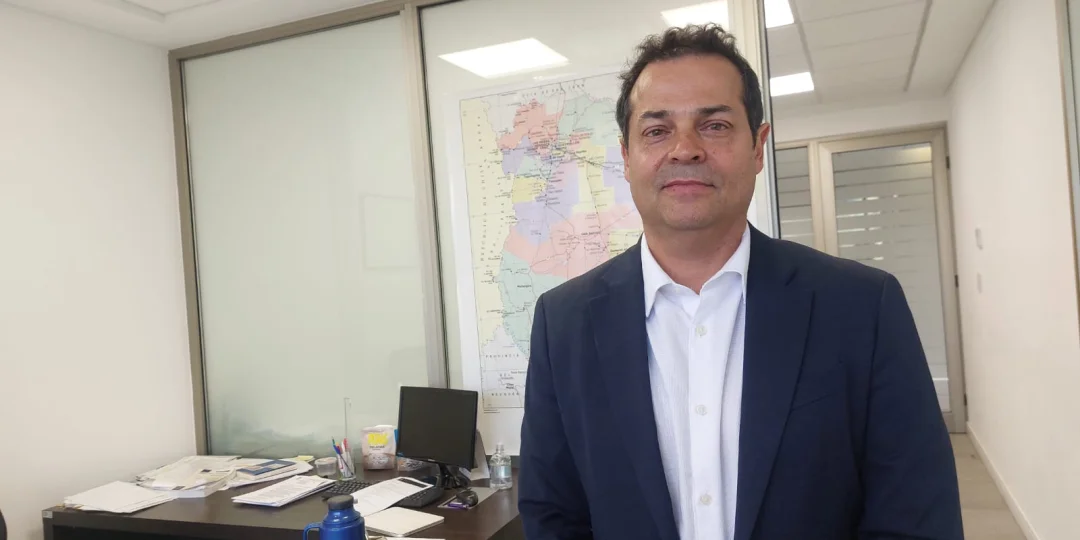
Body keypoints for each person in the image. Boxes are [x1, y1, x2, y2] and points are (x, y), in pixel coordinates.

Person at [517, 24, 963, 540]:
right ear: (626, 157)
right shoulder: (563, 322)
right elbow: (553, 513)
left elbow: (915, 514)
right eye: (657, 131)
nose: (684, 149)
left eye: (714, 125)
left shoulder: (862, 306)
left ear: (757, 147)